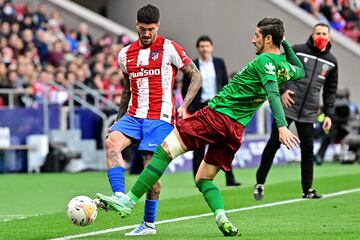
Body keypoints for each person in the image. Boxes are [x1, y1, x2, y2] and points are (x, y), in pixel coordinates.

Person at [97, 18, 304, 236]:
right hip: (235, 130)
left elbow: (273, 93)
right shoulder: (283, 66)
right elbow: (300, 70)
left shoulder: (264, 62)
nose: (253, 40)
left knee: (164, 150)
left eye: (257, 36)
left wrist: (281, 125)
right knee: (203, 178)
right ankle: (221, 217)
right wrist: (285, 44)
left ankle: (128, 201)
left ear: (268, 38)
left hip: (216, 116)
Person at [97, 4, 202, 236]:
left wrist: (184, 105)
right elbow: (126, 91)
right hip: (134, 115)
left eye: (151, 30)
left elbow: (195, 74)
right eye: (143, 29)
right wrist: (117, 120)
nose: (146, 34)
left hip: (160, 117)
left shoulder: (169, 48)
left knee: (149, 167)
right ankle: (119, 196)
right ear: (136, 25)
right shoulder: (125, 54)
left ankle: (148, 224)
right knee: (111, 142)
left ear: (158, 27)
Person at [254, 23, 338, 200]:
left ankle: (307, 190)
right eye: (318, 33)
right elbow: (277, 68)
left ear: (329, 37)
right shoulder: (298, 50)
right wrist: (283, 90)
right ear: (312, 34)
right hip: (288, 106)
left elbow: (330, 90)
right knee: (274, 143)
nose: (321, 36)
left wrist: (329, 114)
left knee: (308, 149)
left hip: (309, 112)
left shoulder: (331, 61)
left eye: (324, 33)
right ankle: (260, 182)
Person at [182, 35, 240, 186]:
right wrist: (192, 108)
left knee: (224, 144)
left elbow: (226, 85)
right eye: (201, 46)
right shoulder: (193, 65)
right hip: (200, 108)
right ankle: (198, 179)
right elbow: (185, 89)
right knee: (198, 146)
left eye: (207, 46)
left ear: (211, 47)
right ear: (198, 48)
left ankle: (230, 178)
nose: (204, 49)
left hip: (218, 107)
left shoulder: (219, 63)